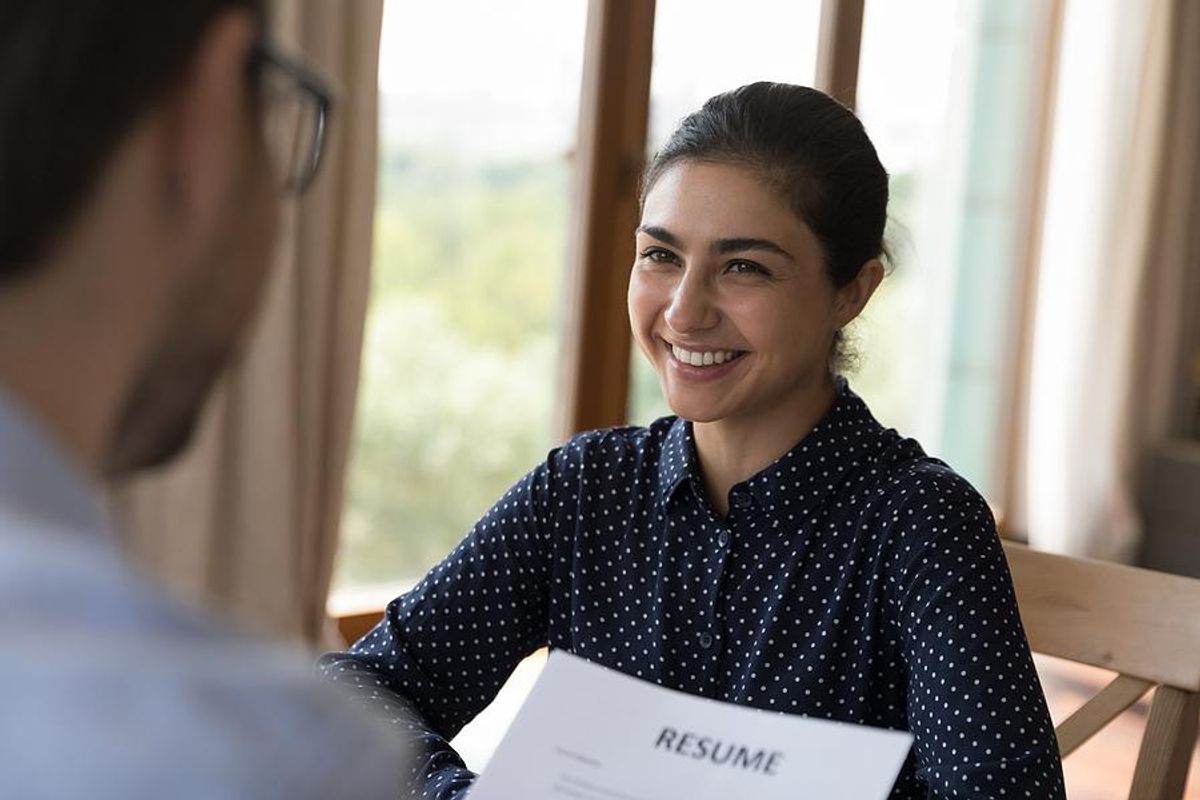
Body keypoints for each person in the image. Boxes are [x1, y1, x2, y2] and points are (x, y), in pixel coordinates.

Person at [320, 82, 1066, 799]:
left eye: (745, 267)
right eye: (661, 255)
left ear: (852, 291)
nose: (683, 311)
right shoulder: (586, 489)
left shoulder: (922, 527)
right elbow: (359, 688)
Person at [0, 1, 402, 797]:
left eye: (734, 264)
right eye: (657, 255)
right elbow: (396, 672)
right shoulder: (255, 755)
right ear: (210, 111)